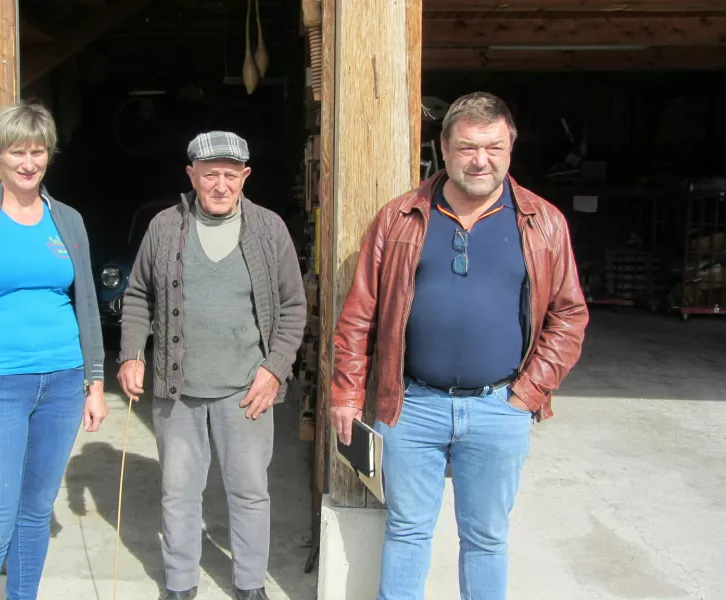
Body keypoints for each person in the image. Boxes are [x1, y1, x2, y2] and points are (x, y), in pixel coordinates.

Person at [329, 92, 588, 600]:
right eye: (468, 147)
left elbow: (569, 315)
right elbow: (359, 312)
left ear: (510, 148)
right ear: (444, 149)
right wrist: (345, 391)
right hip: (412, 406)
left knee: (487, 538)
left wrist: (528, 394)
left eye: (493, 147)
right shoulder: (400, 217)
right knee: (407, 530)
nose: (481, 159)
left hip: (499, 408)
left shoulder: (542, 222)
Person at [0, 100, 108, 600]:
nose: (28, 163)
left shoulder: (67, 221)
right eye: (17, 152)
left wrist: (95, 383)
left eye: (37, 152)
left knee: (35, 513)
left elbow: (88, 306)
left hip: (64, 384)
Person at [117, 131, 307, 600]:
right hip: (177, 390)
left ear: (245, 177)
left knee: (248, 492)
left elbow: (293, 308)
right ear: (191, 176)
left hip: (246, 387)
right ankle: (180, 584)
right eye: (209, 175)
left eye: (229, 175)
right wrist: (130, 353)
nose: (220, 185)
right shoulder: (165, 226)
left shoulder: (269, 229)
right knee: (179, 492)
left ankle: (249, 584)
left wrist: (275, 368)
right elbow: (138, 294)